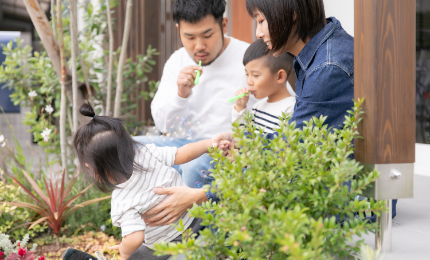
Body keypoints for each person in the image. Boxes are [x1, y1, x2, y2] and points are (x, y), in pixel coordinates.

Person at [139, 0, 360, 228]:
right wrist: (244, 143)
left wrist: (200, 195)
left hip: (344, 202)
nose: (259, 33)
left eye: (262, 21)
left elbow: (291, 154)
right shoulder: (321, 53)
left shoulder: (327, 68)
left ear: (291, 13)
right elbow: (294, 141)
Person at [72, 103, 228, 260]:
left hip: (168, 244)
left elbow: (135, 239)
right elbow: (184, 153)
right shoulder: (146, 152)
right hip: (197, 216)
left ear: (92, 168)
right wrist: (210, 144)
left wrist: (125, 252)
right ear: (127, 144)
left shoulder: (122, 200)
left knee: (137, 253)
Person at [133, 0, 257, 188]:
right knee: (130, 148)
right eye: (189, 37)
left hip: (225, 148)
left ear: (223, 25)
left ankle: (195, 215)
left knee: (193, 167)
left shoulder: (249, 59)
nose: (199, 46)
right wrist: (181, 94)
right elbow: (162, 124)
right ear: (178, 29)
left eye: (207, 35)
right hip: (184, 145)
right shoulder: (177, 61)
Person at [232, 39, 295, 134]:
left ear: (280, 76)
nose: (249, 82)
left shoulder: (291, 109)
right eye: (247, 74)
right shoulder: (258, 107)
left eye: (255, 75)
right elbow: (242, 140)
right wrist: (240, 108)